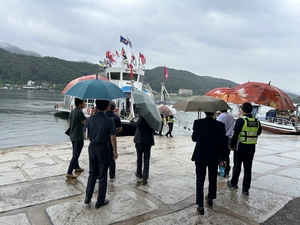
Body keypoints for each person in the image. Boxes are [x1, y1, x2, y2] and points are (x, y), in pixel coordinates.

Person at [191, 111, 226, 215]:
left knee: (200, 179)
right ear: (215, 113)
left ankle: (200, 205)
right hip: (213, 155)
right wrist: (223, 158)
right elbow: (223, 144)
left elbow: (194, 139)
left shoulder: (197, 122)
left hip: (200, 155)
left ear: (204, 112)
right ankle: (210, 197)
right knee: (212, 177)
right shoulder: (220, 125)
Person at [84, 100, 117, 208]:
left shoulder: (89, 119)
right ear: (107, 107)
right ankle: (100, 200)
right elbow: (112, 137)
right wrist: (115, 151)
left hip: (92, 146)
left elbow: (85, 133)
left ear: (96, 106)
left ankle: (88, 197)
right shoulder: (109, 120)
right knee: (103, 174)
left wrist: (92, 114)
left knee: (92, 172)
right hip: (103, 147)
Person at [227, 102, 261, 196]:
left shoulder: (241, 121)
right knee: (248, 168)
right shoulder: (257, 121)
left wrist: (231, 146)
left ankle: (234, 183)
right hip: (251, 148)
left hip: (241, 146)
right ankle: (245, 189)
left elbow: (235, 135)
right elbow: (258, 133)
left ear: (242, 110)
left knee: (237, 166)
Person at [130, 112, 155, 185]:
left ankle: (139, 173)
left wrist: (131, 121)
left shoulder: (143, 114)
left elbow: (138, 124)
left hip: (140, 139)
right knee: (147, 159)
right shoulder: (153, 116)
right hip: (149, 139)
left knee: (139, 157)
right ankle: (145, 177)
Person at [66, 98, 86, 179]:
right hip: (78, 136)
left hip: (72, 135)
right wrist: (92, 114)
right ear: (80, 104)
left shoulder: (72, 112)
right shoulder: (79, 113)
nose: (85, 104)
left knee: (75, 152)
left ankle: (77, 167)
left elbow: (69, 123)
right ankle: (69, 172)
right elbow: (85, 123)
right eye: (84, 102)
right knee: (76, 155)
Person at [105, 101, 122, 181]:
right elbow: (120, 129)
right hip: (111, 139)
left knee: (101, 158)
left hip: (103, 139)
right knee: (111, 158)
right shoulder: (116, 118)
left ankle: (99, 175)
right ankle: (112, 175)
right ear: (114, 108)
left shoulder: (104, 116)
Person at [217, 109, 235, 176]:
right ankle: (227, 169)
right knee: (226, 155)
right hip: (229, 138)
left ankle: (222, 171)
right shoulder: (231, 117)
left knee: (221, 155)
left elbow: (217, 127)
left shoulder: (220, 117)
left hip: (222, 138)